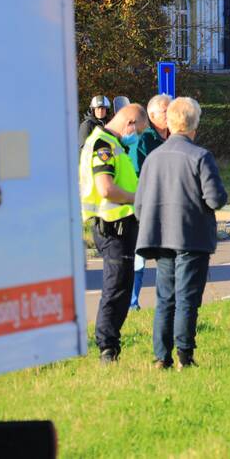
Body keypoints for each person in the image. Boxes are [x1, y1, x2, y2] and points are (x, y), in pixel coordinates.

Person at [135, 97, 228, 370]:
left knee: (165, 298)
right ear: (194, 124)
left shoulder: (152, 158)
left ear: (169, 122)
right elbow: (215, 200)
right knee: (187, 298)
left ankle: (161, 356)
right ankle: (184, 355)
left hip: (160, 236)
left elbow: (139, 204)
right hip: (191, 237)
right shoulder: (200, 157)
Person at [79, 102, 149, 363]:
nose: (137, 136)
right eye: (139, 131)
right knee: (115, 288)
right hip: (112, 227)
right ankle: (107, 348)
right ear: (129, 123)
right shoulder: (103, 145)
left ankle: (111, 344)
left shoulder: (114, 143)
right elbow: (106, 188)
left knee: (121, 287)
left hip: (121, 227)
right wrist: (139, 197)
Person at [129, 94, 173, 311]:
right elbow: (137, 174)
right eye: (166, 111)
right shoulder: (143, 140)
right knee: (139, 256)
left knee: (168, 256)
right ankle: (132, 302)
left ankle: (165, 302)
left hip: (170, 207)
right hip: (147, 207)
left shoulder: (176, 137)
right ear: (153, 115)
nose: (170, 114)